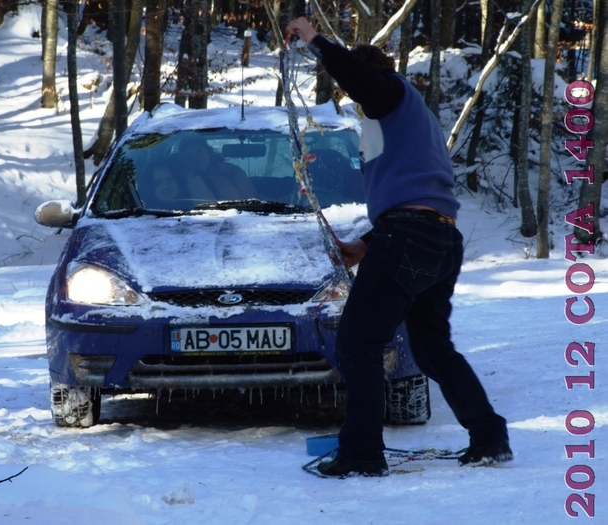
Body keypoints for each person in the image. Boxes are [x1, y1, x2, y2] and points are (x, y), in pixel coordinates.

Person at [285, 17, 513, 478]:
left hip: (410, 237)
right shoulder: (411, 119)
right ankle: (489, 438)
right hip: (438, 238)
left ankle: (361, 454)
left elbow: (360, 78)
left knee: (358, 344)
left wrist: (315, 40)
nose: (354, 103)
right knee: (432, 351)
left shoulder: (389, 93)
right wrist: (366, 246)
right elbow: (417, 193)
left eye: (354, 94)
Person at [177, 135, 256, 200]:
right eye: (190, 156)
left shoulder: (231, 171)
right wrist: (192, 179)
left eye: (199, 151)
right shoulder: (181, 183)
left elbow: (251, 199)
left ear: (208, 151)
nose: (196, 158)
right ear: (185, 162)